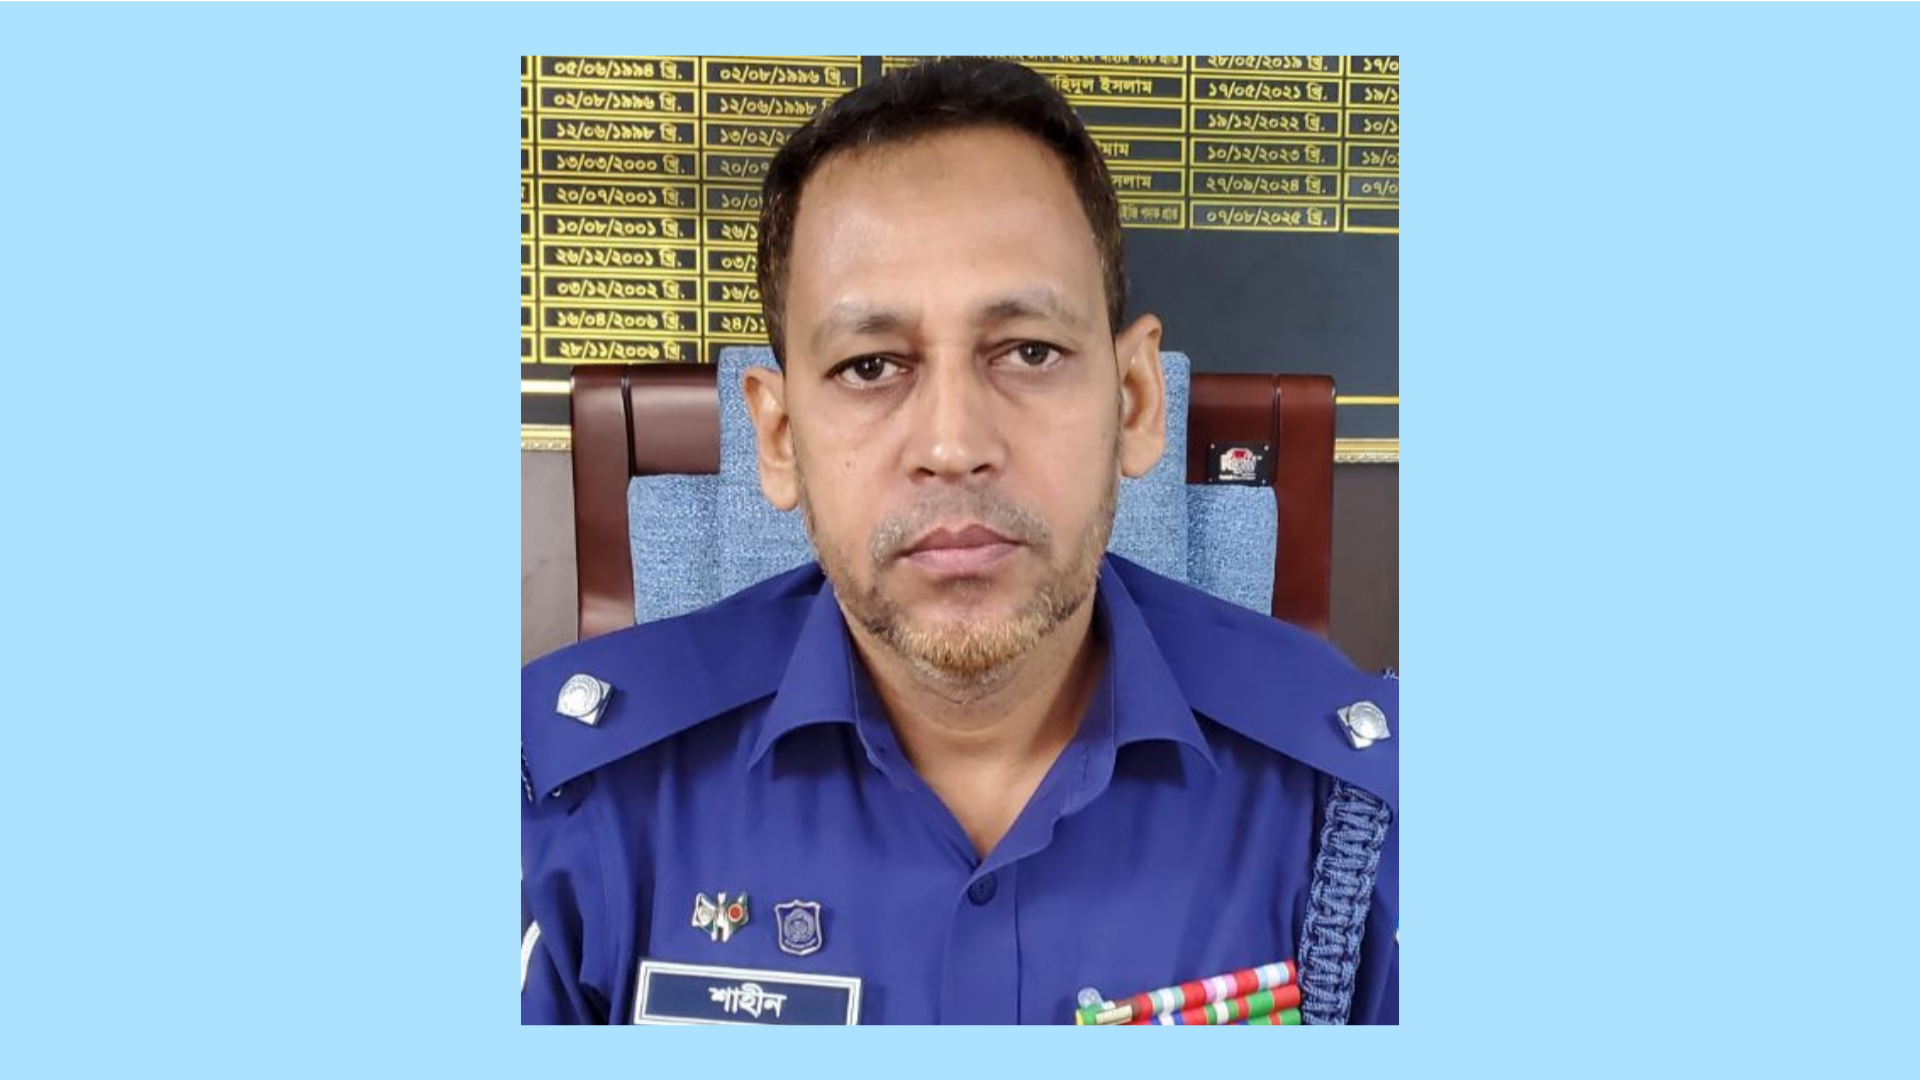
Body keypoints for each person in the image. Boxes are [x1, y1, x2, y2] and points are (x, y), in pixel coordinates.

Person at [521, 57, 1397, 1025]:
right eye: (870, 366)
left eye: (1029, 351)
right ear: (777, 437)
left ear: (1135, 400)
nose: (952, 446)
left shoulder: (1353, 813)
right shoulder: (569, 809)